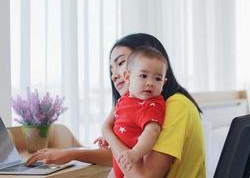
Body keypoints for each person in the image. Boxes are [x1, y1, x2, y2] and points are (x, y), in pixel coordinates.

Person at [26, 33, 206, 178]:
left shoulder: (176, 106)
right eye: (111, 69)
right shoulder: (153, 107)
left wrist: (107, 131)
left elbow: (142, 175)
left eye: (120, 63)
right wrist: (72, 154)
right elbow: (125, 157)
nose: (115, 75)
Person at [96, 46, 168, 177]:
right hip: (120, 164)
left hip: (134, 163)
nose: (150, 83)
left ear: (164, 83)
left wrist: (136, 153)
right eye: (143, 76)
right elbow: (123, 125)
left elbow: (152, 131)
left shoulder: (152, 104)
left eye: (157, 78)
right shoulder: (124, 100)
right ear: (128, 76)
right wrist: (107, 137)